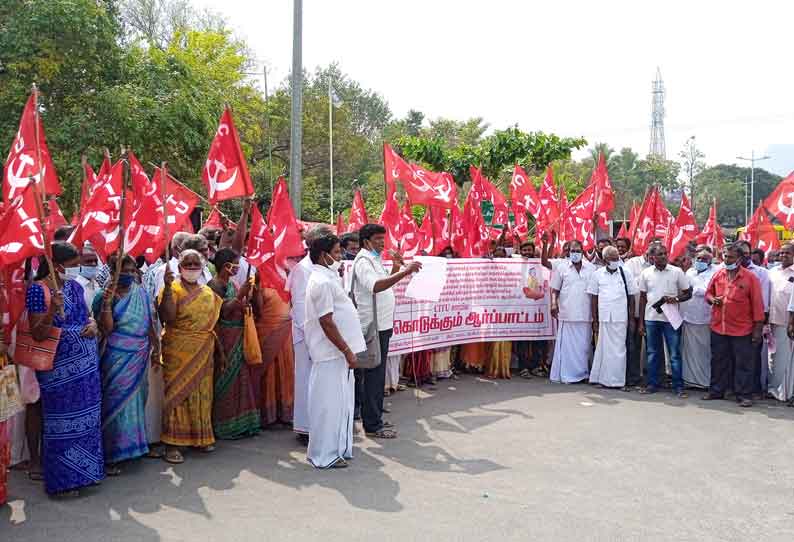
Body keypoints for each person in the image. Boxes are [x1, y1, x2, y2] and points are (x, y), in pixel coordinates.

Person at [26, 242, 103, 496]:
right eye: (72, 265)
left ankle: (86, 473)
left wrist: (93, 325)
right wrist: (51, 309)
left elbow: (86, 316)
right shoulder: (39, 290)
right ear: (56, 266)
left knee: (87, 420)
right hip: (58, 372)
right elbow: (37, 333)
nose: (76, 269)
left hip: (86, 373)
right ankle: (62, 481)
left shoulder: (75, 286)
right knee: (61, 424)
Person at [352, 224, 421, 440]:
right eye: (378, 239)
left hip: (382, 324)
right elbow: (376, 286)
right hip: (372, 326)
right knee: (374, 374)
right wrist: (405, 272)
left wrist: (397, 268)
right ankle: (373, 424)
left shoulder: (374, 259)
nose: (383, 242)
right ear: (366, 241)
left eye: (384, 238)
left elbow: (384, 284)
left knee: (375, 373)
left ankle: (373, 416)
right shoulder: (363, 261)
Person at [93, 254, 159, 474]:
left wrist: (156, 347)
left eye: (132, 271)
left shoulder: (141, 292)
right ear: (112, 272)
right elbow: (107, 329)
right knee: (115, 401)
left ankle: (136, 447)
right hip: (115, 355)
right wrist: (107, 302)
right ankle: (112, 454)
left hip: (140, 353)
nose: (130, 275)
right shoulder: (102, 295)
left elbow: (149, 323)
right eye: (125, 271)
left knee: (138, 399)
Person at [304, 234, 365, 468]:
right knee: (328, 406)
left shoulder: (328, 277)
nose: (341, 257)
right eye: (338, 252)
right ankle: (325, 454)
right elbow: (326, 322)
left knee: (341, 405)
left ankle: (338, 449)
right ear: (324, 255)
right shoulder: (320, 281)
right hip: (330, 354)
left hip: (337, 355)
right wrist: (347, 350)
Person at [158, 249, 223, 464]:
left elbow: (213, 323)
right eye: (188, 264)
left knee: (202, 394)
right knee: (177, 395)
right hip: (177, 350)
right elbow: (167, 316)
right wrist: (167, 287)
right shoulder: (172, 288)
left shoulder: (208, 293)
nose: (193, 268)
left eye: (197, 264)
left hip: (204, 350)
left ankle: (200, 437)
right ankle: (173, 443)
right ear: (179, 267)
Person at [207, 248, 261, 440]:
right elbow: (220, 312)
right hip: (225, 338)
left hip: (239, 335)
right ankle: (224, 425)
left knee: (241, 379)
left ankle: (242, 423)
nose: (239, 267)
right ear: (226, 265)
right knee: (225, 380)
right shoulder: (214, 285)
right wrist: (240, 298)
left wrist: (246, 301)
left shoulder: (232, 283)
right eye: (236, 263)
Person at [287, 225, 334, 444]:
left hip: (326, 334)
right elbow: (298, 306)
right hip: (308, 335)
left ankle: (321, 424)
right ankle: (304, 428)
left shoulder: (327, 267)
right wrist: (311, 335)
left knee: (322, 382)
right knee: (306, 380)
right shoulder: (302, 270)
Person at [704, 243, 764, 407]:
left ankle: (744, 395)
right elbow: (708, 293)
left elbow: (758, 305)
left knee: (743, 364)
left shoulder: (750, 278)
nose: (726, 259)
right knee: (718, 361)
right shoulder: (719, 274)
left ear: (739, 259)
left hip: (742, 329)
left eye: (730, 257)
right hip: (719, 327)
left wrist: (757, 331)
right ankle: (716, 391)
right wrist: (712, 299)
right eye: (724, 256)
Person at [638, 244, 692, 397]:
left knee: (674, 354)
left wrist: (675, 299)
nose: (663, 256)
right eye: (659, 254)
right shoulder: (646, 273)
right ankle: (652, 384)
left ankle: (678, 387)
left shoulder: (676, 272)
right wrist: (641, 322)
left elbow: (688, 294)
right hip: (651, 319)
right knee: (653, 353)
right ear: (652, 257)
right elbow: (642, 298)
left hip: (671, 320)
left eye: (665, 253)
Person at [587, 246, 638, 388]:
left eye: (617, 258)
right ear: (605, 260)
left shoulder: (625, 272)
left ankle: (616, 381)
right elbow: (594, 298)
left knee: (618, 349)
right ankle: (602, 378)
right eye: (613, 259)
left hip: (621, 318)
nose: (616, 261)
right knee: (603, 349)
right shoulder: (597, 274)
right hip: (604, 317)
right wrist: (595, 320)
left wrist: (632, 318)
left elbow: (632, 297)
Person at [549, 240, 595, 383]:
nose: (575, 253)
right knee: (568, 348)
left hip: (585, 314)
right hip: (567, 313)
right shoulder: (562, 267)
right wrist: (553, 304)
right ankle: (567, 375)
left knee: (584, 347)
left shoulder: (591, 268)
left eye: (578, 251)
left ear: (582, 251)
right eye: (572, 251)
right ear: (568, 252)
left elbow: (595, 292)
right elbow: (554, 289)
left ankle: (582, 374)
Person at [254, 277, 295, 427]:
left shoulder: (288, 279)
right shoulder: (259, 281)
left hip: (285, 332)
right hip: (267, 331)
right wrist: (256, 289)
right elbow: (257, 311)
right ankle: (267, 415)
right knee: (268, 373)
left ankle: (284, 414)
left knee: (286, 372)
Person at [736, 240, 771, 399]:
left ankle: (754, 390)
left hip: (752, 323)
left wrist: (759, 325)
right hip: (733, 323)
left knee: (752, 358)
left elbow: (762, 302)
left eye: (746, 254)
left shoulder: (760, 273)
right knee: (735, 358)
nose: (744, 256)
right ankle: (736, 388)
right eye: (740, 254)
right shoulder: (726, 271)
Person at [680, 250, 718, 389]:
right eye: (698, 258)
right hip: (689, 316)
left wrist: (694, 290)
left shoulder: (715, 272)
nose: (700, 261)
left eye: (704, 258)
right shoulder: (690, 272)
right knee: (689, 351)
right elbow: (684, 288)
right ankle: (689, 380)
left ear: (710, 261)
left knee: (705, 352)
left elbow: (709, 291)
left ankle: (705, 382)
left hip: (706, 318)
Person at [769, 243, 794, 402]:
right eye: (781, 253)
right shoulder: (772, 272)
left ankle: (781, 390)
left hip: (786, 323)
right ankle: (772, 387)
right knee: (771, 358)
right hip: (770, 322)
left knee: (783, 359)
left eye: (787, 253)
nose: (783, 255)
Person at [76, 243, 101, 308]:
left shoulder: (96, 283)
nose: (93, 264)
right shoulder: (75, 285)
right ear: (78, 263)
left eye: (95, 261)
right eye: (89, 261)